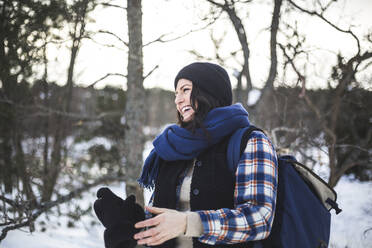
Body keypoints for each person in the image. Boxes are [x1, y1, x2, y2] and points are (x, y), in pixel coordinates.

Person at [133, 62, 278, 248]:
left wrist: (189, 223)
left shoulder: (250, 141)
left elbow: (259, 218)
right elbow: (163, 218)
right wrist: (131, 225)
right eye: (176, 94)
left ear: (209, 92)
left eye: (185, 90)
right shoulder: (173, 145)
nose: (178, 100)